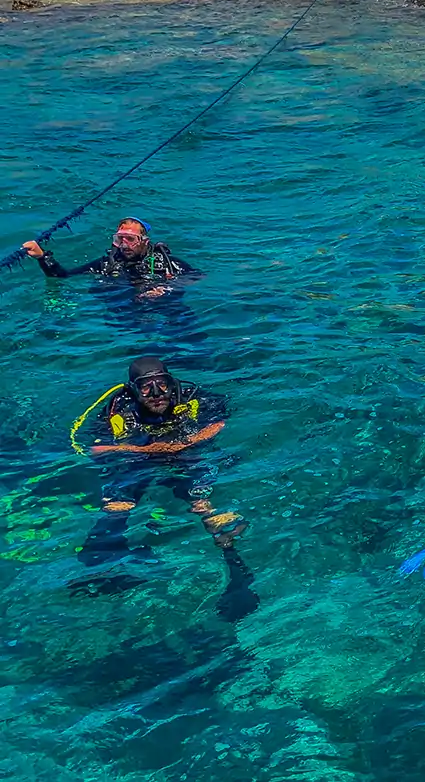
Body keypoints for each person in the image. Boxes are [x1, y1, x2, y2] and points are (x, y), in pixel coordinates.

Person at [70, 357, 257, 620]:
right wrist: (152, 449)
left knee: (202, 502)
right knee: (118, 502)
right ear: (133, 389)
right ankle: (103, 567)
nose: (157, 393)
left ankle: (235, 564)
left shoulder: (190, 397)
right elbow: (96, 448)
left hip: (184, 452)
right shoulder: (118, 409)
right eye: (146, 387)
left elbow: (219, 422)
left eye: (162, 384)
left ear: (172, 383)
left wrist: (179, 446)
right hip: (138, 458)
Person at [23, 217, 197, 298]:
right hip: (126, 312)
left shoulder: (164, 262)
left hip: (165, 305)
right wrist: (42, 257)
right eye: (120, 239)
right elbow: (62, 276)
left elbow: (196, 276)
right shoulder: (107, 264)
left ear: (144, 241)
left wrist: (167, 287)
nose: (124, 244)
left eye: (131, 239)